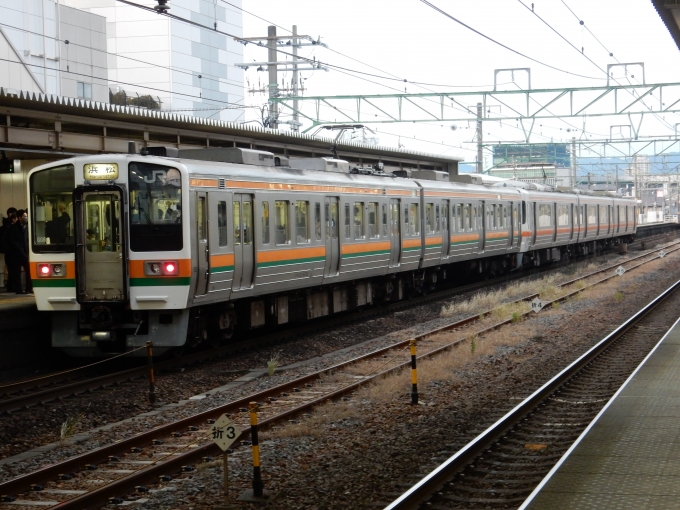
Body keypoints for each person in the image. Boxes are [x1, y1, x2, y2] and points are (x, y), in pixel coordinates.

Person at [8, 209, 31, 294]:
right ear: (20, 217)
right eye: (24, 216)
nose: (26, 218)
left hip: (24, 253)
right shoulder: (14, 228)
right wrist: (19, 249)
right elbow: (12, 241)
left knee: (28, 271)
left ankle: (29, 288)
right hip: (16, 254)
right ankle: (19, 289)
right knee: (17, 273)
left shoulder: (26, 227)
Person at [1, 207, 17, 291]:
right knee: (12, 269)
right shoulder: (10, 226)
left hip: (7, 251)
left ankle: (10, 286)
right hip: (11, 251)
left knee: (10, 269)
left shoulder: (5, 226)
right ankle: (11, 286)